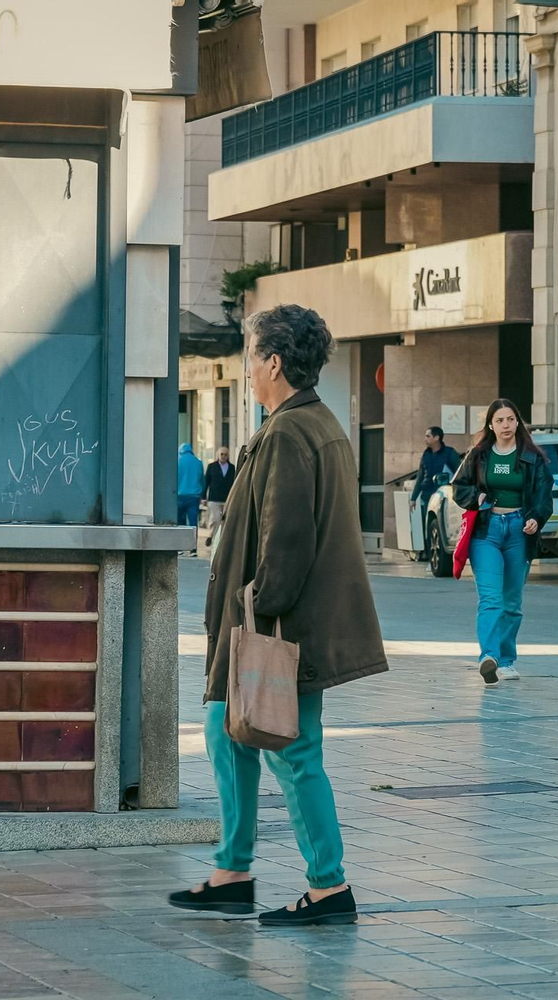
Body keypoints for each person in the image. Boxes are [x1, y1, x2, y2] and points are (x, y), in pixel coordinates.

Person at [169, 304, 387, 927]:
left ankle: (328, 887)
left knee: (293, 754)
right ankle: (233, 871)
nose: (246, 370)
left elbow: (285, 544)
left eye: (250, 358)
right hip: (264, 632)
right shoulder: (305, 423)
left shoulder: (292, 432)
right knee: (225, 733)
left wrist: (257, 607)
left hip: (275, 633)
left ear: (273, 362)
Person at [450, 400, 553, 685]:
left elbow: (544, 496)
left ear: (518, 422)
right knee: (491, 598)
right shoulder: (479, 455)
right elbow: (458, 487)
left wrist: (536, 518)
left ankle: (506, 660)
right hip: (487, 532)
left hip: (520, 532)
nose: (506, 425)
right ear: (491, 425)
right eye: (500, 420)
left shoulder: (533, 458)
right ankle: (489, 657)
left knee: (512, 601)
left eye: (510, 419)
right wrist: (478, 498)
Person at [411, 427, 461, 511]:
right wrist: (413, 498)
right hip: (427, 496)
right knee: (427, 523)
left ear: (436, 438)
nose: (425, 439)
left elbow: (460, 474)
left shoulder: (449, 453)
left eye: (428, 436)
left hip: (443, 497)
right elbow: (420, 477)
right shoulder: (426, 454)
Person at [203, 446, 237, 550]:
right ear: (218, 455)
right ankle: (211, 537)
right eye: (221, 454)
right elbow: (206, 482)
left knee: (226, 520)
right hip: (214, 498)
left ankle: (222, 540)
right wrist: (203, 497)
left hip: (227, 498)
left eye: (225, 454)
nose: (223, 456)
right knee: (216, 519)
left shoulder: (232, 468)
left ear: (228, 456)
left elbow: (235, 483)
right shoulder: (212, 466)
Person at [176, 442, 205, 555]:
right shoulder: (198, 462)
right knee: (193, 522)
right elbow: (202, 479)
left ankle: (180, 547)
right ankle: (193, 548)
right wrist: (201, 494)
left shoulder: (177, 461)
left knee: (180, 522)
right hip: (194, 496)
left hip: (180, 495)